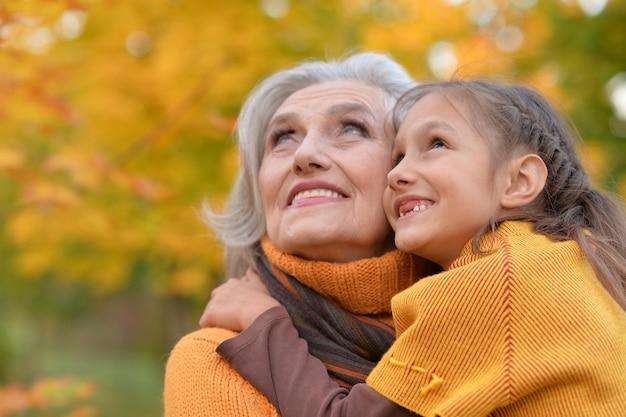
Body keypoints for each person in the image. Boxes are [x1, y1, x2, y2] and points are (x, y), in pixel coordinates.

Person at [205, 80, 626, 416]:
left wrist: (261, 321)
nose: (398, 173)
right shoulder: (567, 258)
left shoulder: (495, 282)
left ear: (517, 182)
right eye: (399, 154)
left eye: (437, 145)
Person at [163, 52, 439, 417]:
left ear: (408, 171)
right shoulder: (217, 358)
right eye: (283, 138)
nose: (305, 154)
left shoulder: (493, 313)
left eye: (351, 128)